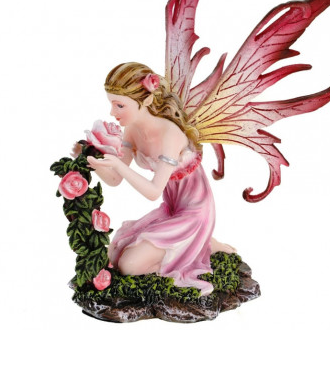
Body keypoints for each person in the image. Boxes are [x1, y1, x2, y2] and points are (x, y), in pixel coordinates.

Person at [85, 61, 234, 296]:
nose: (112, 112)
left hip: (194, 214)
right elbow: (114, 180)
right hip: (171, 210)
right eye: (112, 104)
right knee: (113, 254)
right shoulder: (132, 130)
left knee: (129, 266)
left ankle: (197, 246)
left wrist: (116, 164)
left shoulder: (170, 134)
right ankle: (199, 245)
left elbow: (153, 191)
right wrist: (92, 160)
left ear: (145, 100)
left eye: (120, 105)